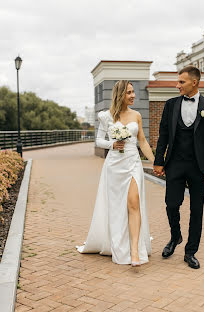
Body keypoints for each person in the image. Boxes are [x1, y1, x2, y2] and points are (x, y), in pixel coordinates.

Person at [77, 80, 155, 267]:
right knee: (118, 208)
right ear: (120, 94)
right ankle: (119, 246)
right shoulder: (106, 116)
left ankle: (135, 250)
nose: (133, 95)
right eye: (129, 92)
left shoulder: (136, 115)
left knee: (134, 202)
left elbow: (142, 141)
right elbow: (98, 140)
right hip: (114, 165)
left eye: (133, 92)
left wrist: (156, 162)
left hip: (133, 162)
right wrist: (111, 144)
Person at [153, 66, 204, 269]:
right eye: (177, 81)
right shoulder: (171, 105)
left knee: (196, 210)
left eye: (181, 82)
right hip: (175, 163)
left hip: (199, 167)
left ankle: (190, 252)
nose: (177, 85)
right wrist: (159, 160)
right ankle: (175, 237)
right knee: (171, 204)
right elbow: (163, 134)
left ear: (194, 82)